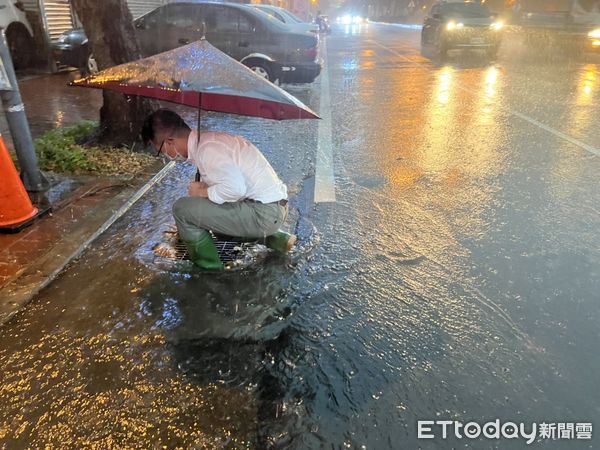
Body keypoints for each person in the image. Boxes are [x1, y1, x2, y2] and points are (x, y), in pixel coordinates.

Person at [141, 109, 296, 270]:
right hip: (271, 208)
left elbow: (236, 189)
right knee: (206, 213)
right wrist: (205, 194)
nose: (165, 155)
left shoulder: (208, 150)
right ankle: (276, 239)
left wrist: (202, 192)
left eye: (160, 150)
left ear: (169, 142)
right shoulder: (209, 142)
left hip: (264, 214)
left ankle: (210, 268)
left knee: (181, 209)